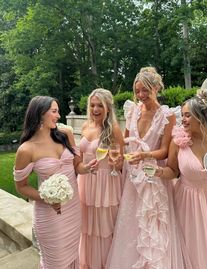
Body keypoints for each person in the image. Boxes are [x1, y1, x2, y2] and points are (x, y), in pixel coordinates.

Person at [106, 67, 184, 269]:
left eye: (145, 91)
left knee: (152, 227)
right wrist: (116, 154)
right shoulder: (132, 109)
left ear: (157, 88)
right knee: (131, 224)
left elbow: (165, 151)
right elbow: (124, 141)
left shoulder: (167, 115)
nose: (141, 96)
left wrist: (144, 155)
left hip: (153, 178)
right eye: (138, 91)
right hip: (131, 178)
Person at [155, 89, 207, 269]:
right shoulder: (178, 141)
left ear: (201, 117)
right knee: (189, 249)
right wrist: (158, 172)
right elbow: (172, 170)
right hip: (185, 204)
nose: (182, 120)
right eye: (182, 115)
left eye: (187, 116)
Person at [13, 96, 94, 269]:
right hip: (49, 214)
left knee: (73, 254)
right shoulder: (26, 149)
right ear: (40, 114)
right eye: (54, 111)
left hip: (72, 208)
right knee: (55, 262)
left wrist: (87, 168)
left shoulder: (65, 134)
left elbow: (77, 165)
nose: (58, 116)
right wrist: (47, 198)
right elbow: (21, 187)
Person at [78, 88, 124, 269]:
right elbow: (80, 158)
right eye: (92, 105)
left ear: (108, 108)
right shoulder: (85, 126)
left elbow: (120, 165)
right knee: (87, 227)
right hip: (86, 182)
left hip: (106, 184)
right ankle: (88, 263)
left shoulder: (113, 129)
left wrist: (117, 162)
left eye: (100, 106)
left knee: (105, 228)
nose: (95, 109)